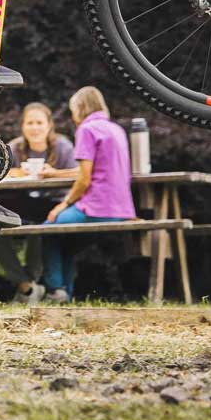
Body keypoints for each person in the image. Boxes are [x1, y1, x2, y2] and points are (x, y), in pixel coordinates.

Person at [39, 85, 138, 302]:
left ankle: (56, 290)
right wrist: (56, 174)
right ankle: (65, 293)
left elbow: (84, 179)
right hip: (121, 208)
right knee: (67, 240)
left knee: (48, 228)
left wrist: (62, 205)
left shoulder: (86, 129)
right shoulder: (115, 129)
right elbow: (92, 168)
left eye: (74, 111)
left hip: (97, 206)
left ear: (80, 108)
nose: (73, 117)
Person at [0, 102, 78, 303]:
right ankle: (26, 286)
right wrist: (15, 172)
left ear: (49, 125)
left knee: (39, 230)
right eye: (30, 123)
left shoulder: (63, 147)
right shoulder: (14, 148)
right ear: (23, 126)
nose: (34, 127)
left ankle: (29, 290)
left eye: (39, 122)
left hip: (54, 205)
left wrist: (53, 175)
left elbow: (79, 173)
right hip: (22, 206)